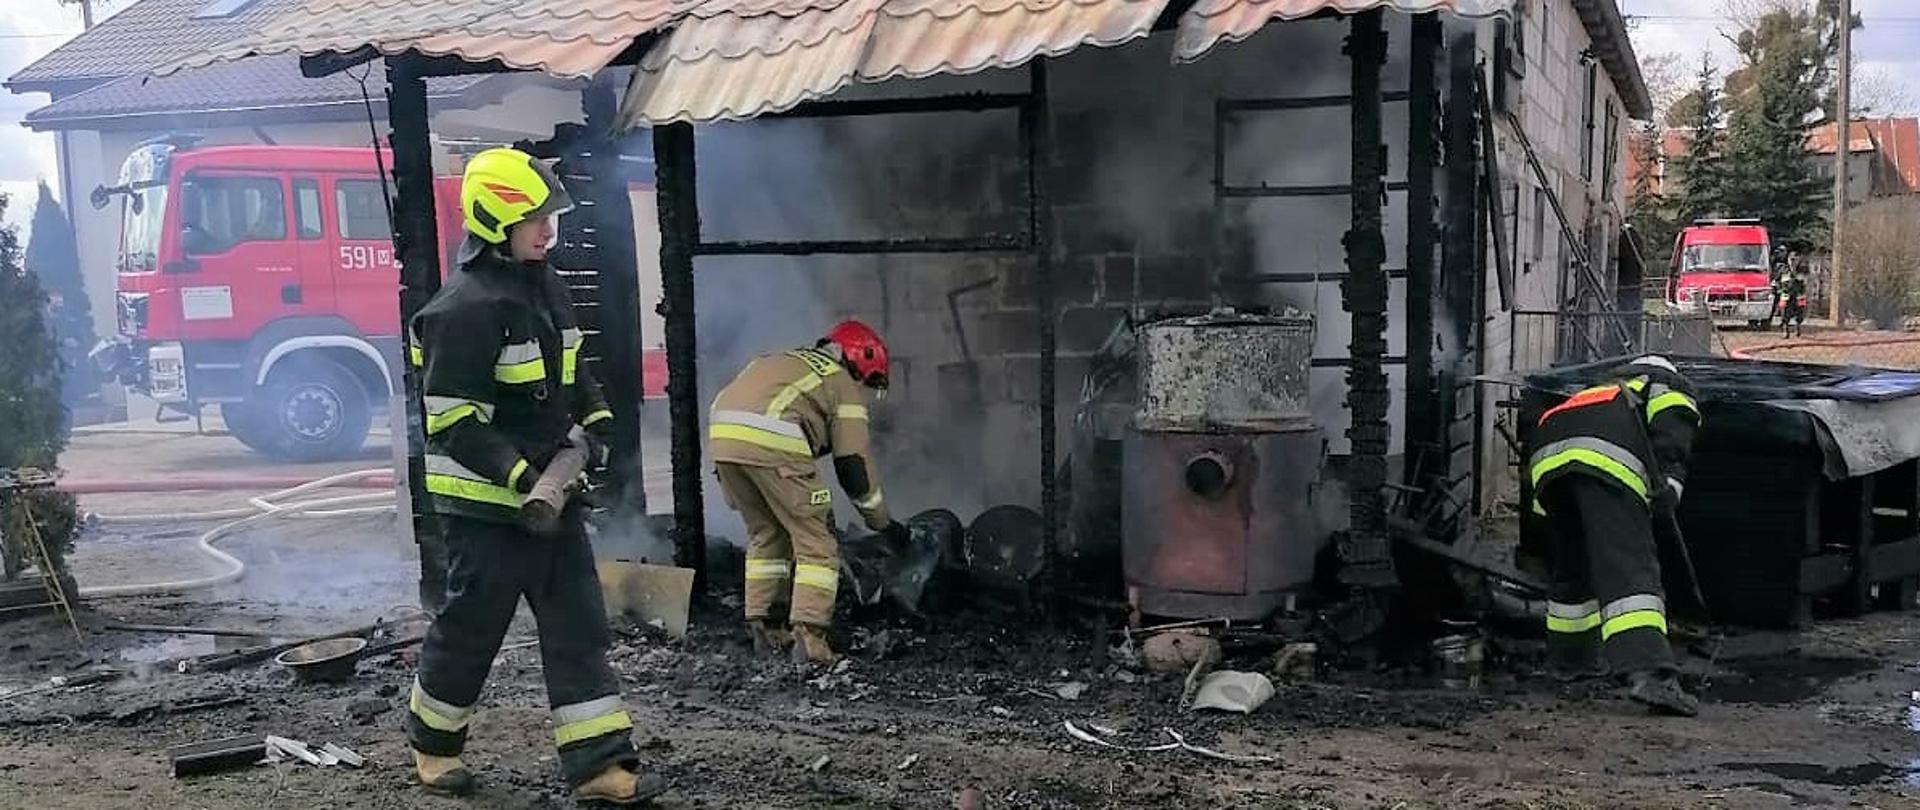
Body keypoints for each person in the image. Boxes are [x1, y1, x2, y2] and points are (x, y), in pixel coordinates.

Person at [404, 147, 665, 804]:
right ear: (494, 220)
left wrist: (597, 421)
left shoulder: (545, 286)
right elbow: (454, 422)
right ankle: (433, 747)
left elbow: (574, 374)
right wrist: (526, 477)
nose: (549, 229)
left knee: (579, 625)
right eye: (536, 219)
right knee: (471, 629)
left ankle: (601, 767)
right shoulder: (461, 310)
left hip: (550, 502)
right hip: (483, 511)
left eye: (550, 215)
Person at [708, 320, 907, 664]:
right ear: (860, 356)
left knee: (766, 532)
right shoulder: (840, 382)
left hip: (724, 439)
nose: (862, 386)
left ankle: (765, 626)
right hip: (773, 440)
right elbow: (853, 466)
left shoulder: (780, 360)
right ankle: (810, 637)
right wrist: (882, 522)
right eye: (865, 378)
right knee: (817, 539)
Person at [1528, 355, 1702, 717]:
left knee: (1572, 571)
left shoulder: (1595, 391)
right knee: (1628, 568)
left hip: (1546, 465)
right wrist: (1670, 485)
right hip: (1606, 461)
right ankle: (1649, 673)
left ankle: (1570, 662)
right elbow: (1674, 429)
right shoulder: (1665, 385)